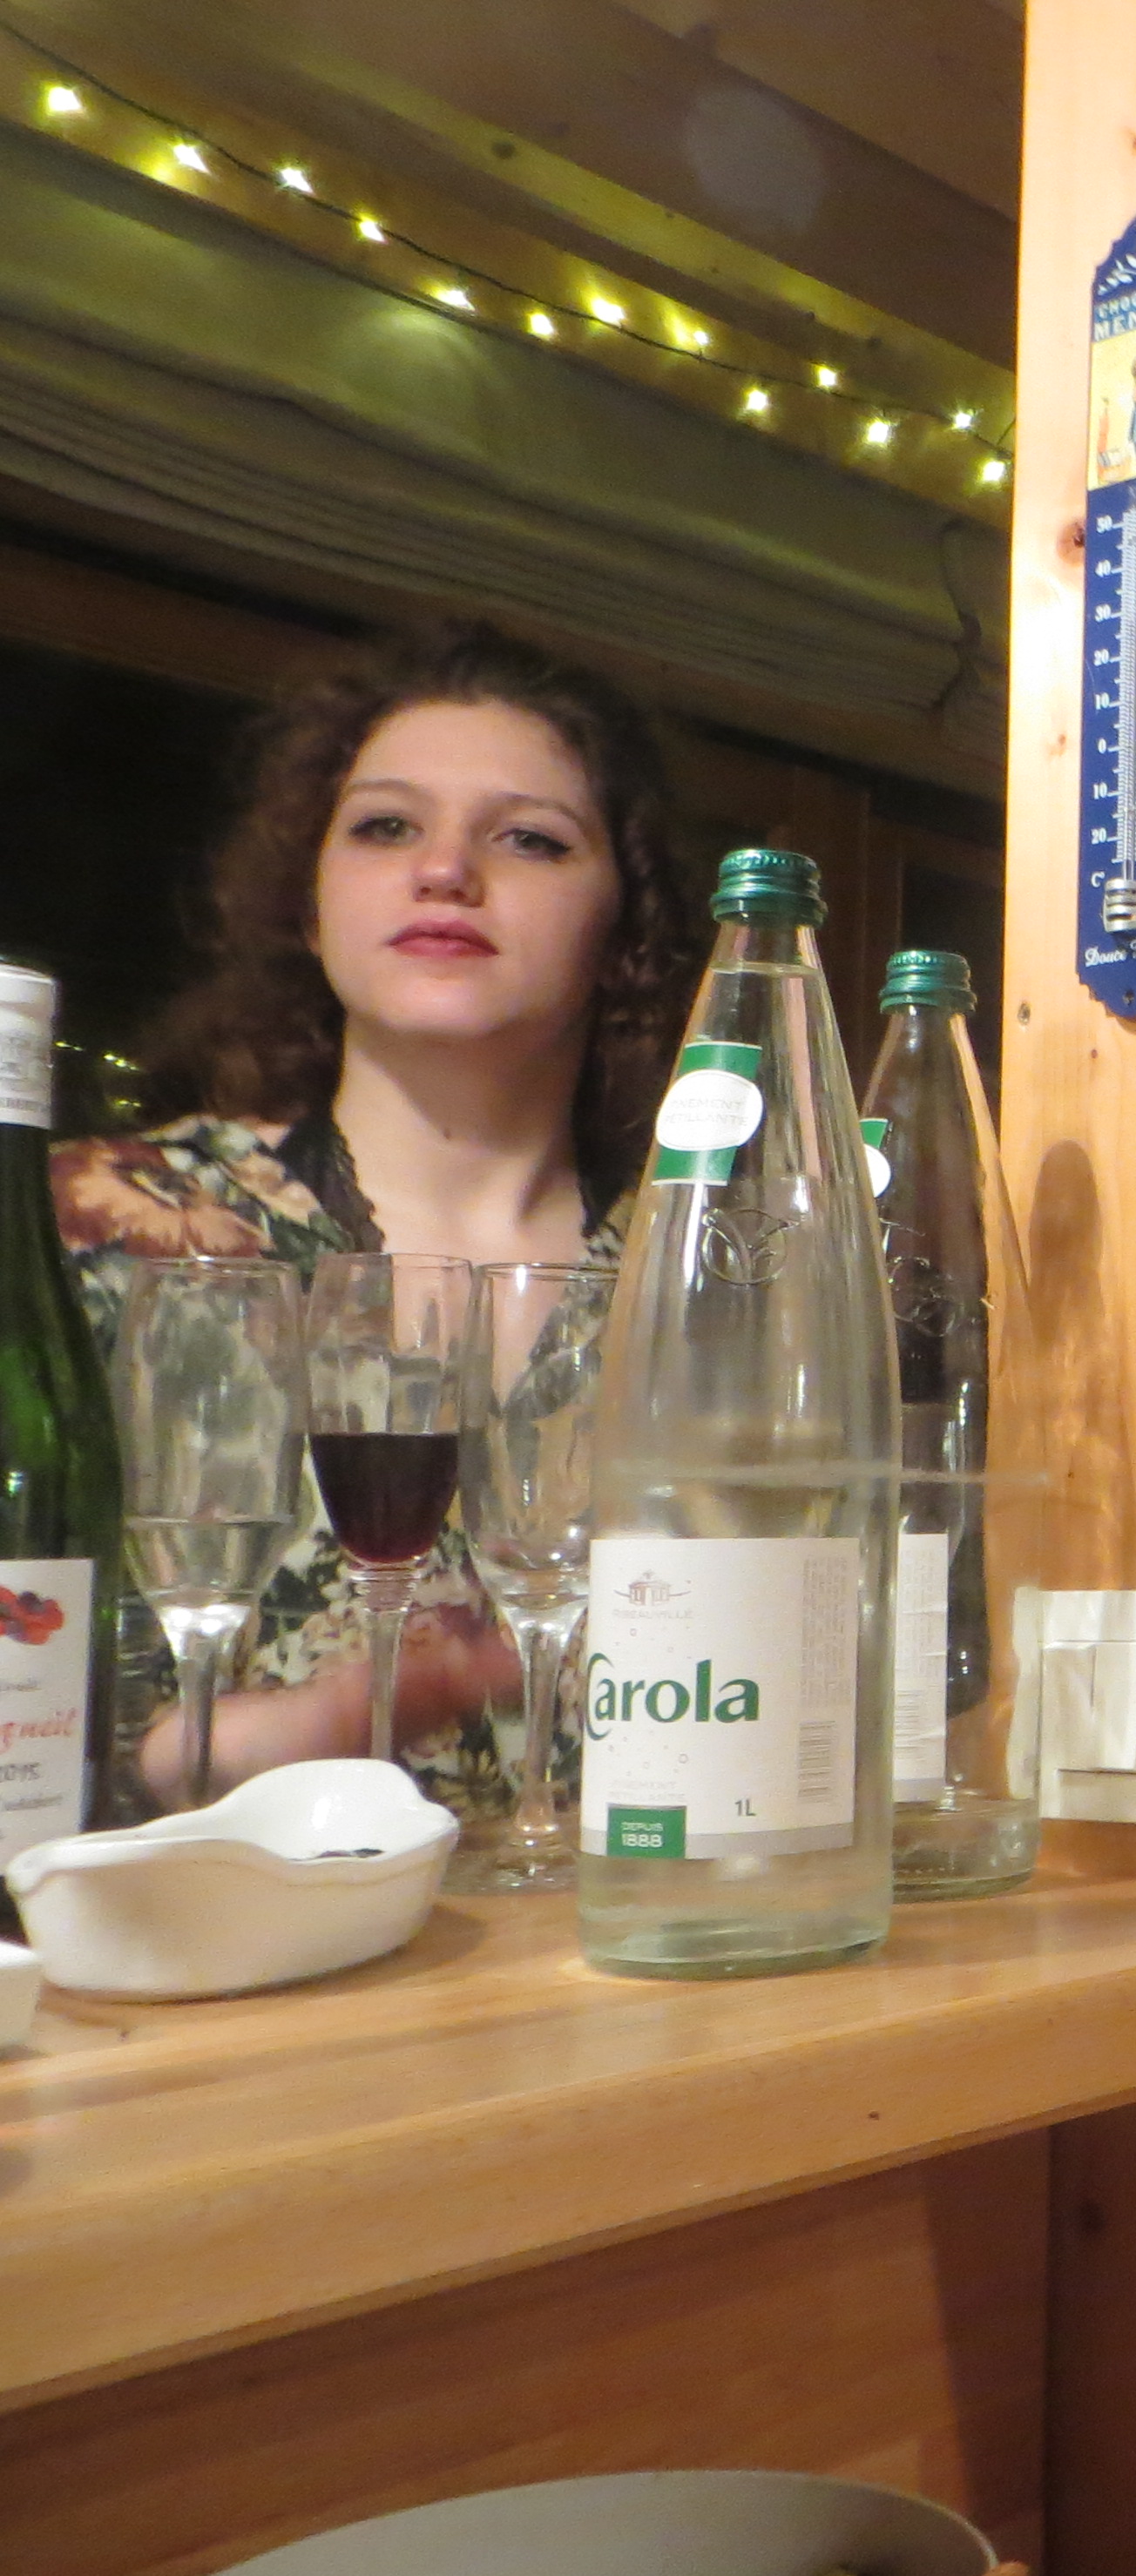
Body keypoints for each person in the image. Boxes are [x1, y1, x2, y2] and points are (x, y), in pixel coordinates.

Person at [54, 617, 701, 1816]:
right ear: (311, 904)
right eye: (386, 826)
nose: (446, 869)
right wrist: (245, 1747)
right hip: (220, 1932)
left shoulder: (711, 1282)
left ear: (627, 928)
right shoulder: (101, 1228)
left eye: (530, 838)